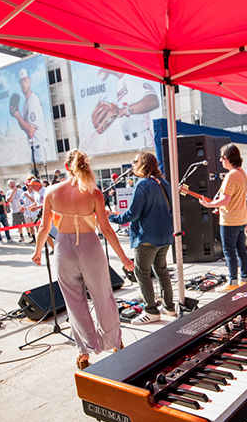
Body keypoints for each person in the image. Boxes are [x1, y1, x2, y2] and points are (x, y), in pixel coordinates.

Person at [32, 149, 134, 370]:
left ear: (66, 167)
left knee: (74, 302)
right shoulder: (94, 193)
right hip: (90, 248)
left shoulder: (51, 191)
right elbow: (106, 229)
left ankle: (84, 351)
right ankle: (115, 343)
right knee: (103, 297)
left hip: (63, 249)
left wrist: (38, 251)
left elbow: (44, 228)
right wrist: (124, 258)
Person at [108, 152, 175, 325]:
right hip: (165, 235)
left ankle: (151, 311)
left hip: (147, 237)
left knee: (142, 272)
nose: (132, 165)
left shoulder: (142, 184)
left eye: (135, 162)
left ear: (143, 164)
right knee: (161, 270)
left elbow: (133, 214)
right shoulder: (164, 183)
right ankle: (168, 307)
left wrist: (112, 217)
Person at [199, 143, 247, 293]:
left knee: (229, 251)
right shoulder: (241, 172)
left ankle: (232, 282)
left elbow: (226, 200)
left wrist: (209, 205)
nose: (220, 160)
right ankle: (244, 280)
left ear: (227, 158)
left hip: (230, 221)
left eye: (222, 157)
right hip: (240, 219)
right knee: (241, 251)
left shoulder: (230, 176)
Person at [92, 69, 160, 148]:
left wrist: (124, 111)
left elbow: (153, 101)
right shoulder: (120, 82)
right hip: (127, 142)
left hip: (141, 138)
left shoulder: (132, 76)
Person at [11, 68, 50, 166]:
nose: (23, 84)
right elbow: (23, 127)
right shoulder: (25, 102)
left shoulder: (33, 100)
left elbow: (31, 132)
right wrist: (17, 115)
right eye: (21, 82)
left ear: (29, 81)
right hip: (33, 148)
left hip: (41, 147)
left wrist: (18, 116)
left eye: (25, 80)